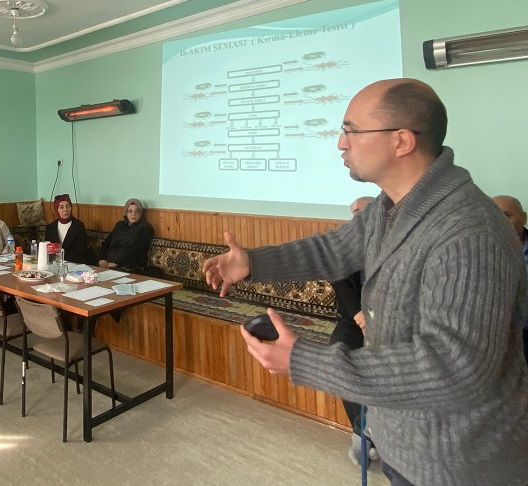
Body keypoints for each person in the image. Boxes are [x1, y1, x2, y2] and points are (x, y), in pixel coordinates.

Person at [203, 79, 528, 485]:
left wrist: (305, 361)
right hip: (403, 441)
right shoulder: (392, 208)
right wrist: (252, 263)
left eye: (351, 130)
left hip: (457, 462)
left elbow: (454, 369)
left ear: (401, 141)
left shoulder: (470, 231)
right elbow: (331, 250)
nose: (341, 143)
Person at [330, 196, 376, 467]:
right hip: (355, 319)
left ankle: (383, 432)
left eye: (364, 209)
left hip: (394, 320)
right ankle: (362, 432)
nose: (357, 215)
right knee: (341, 353)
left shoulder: (401, 238)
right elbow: (340, 282)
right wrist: (359, 314)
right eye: (354, 211)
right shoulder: (347, 244)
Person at [491, 194, 528, 364]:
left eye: (506, 215)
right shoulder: (477, 252)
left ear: (524, 217)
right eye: (494, 215)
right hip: (497, 337)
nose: (500, 221)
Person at [98, 198, 154, 273]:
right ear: (126, 212)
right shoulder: (119, 225)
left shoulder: (144, 228)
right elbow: (106, 243)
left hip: (130, 265)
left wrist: (116, 263)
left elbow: (136, 251)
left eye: (136, 211)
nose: (133, 214)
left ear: (140, 213)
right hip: (109, 263)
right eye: (130, 211)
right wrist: (102, 258)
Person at [44, 194, 94, 265]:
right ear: (56, 209)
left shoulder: (78, 226)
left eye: (68, 206)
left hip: (74, 264)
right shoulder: (51, 227)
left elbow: (80, 251)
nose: (65, 210)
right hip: (54, 265)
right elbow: (48, 250)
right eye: (61, 207)